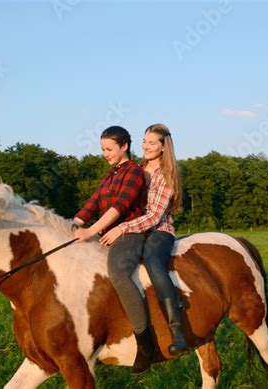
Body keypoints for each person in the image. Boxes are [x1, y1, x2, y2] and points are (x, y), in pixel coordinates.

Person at [99, 123, 188, 374]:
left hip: (159, 230)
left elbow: (154, 216)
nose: (146, 147)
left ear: (163, 147)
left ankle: (176, 329)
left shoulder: (166, 175)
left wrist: (122, 228)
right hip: (135, 231)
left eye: (152, 143)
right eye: (144, 141)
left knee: (152, 261)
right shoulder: (136, 170)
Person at [73, 126, 145, 242]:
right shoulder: (109, 175)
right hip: (107, 233)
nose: (105, 154)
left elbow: (120, 205)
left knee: (119, 261)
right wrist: (73, 224)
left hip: (128, 234)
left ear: (124, 146)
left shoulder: (134, 171)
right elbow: (93, 203)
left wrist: (90, 231)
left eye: (109, 150)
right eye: (103, 149)